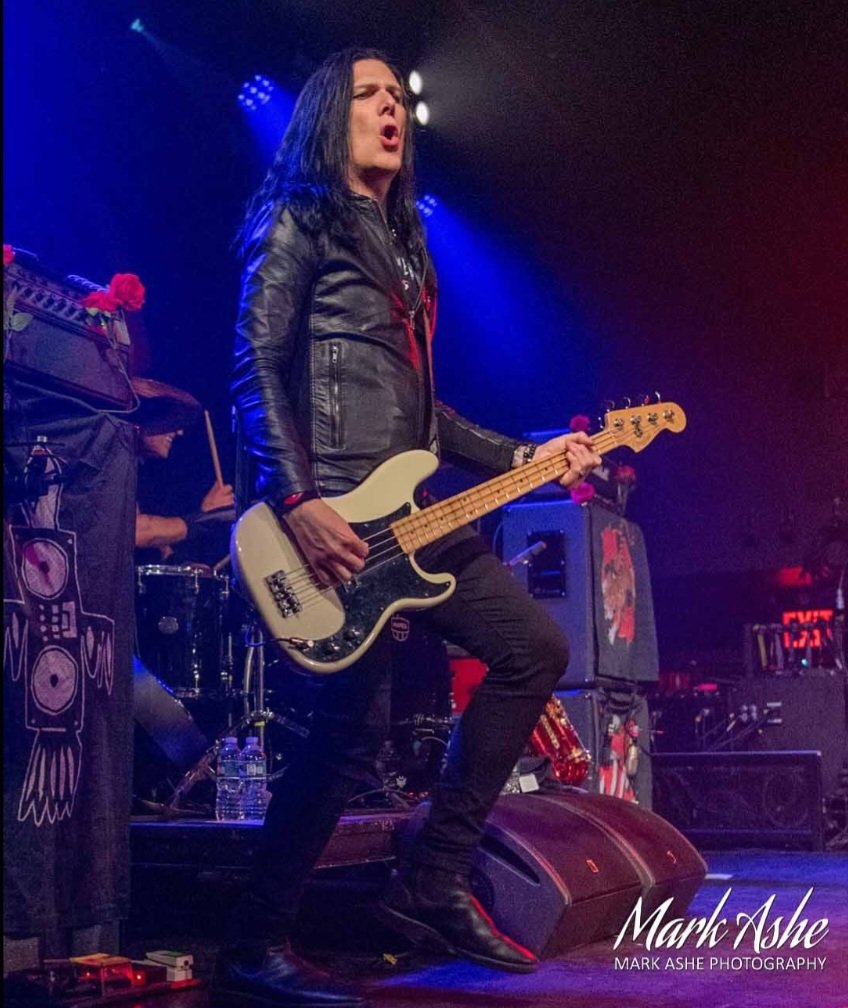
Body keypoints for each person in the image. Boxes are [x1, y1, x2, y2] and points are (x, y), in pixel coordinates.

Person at [218, 47, 601, 1008]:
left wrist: (532, 455)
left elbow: (429, 422)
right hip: (333, 517)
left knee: (532, 649)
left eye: (400, 99)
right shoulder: (299, 218)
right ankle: (253, 942)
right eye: (371, 97)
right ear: (326, 115)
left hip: (414, 512)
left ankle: (433, 877)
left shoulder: (405, 248)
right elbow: (255, 368)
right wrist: (298, 500)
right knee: (344, 740)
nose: (393, 111)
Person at [131, 377, 234, 560]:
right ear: (142, 419)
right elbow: (137, 531)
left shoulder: (141, 472)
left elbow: (162, 548)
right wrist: (206, 518)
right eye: (170, 419)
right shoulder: (115, 465)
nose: (179, 431)